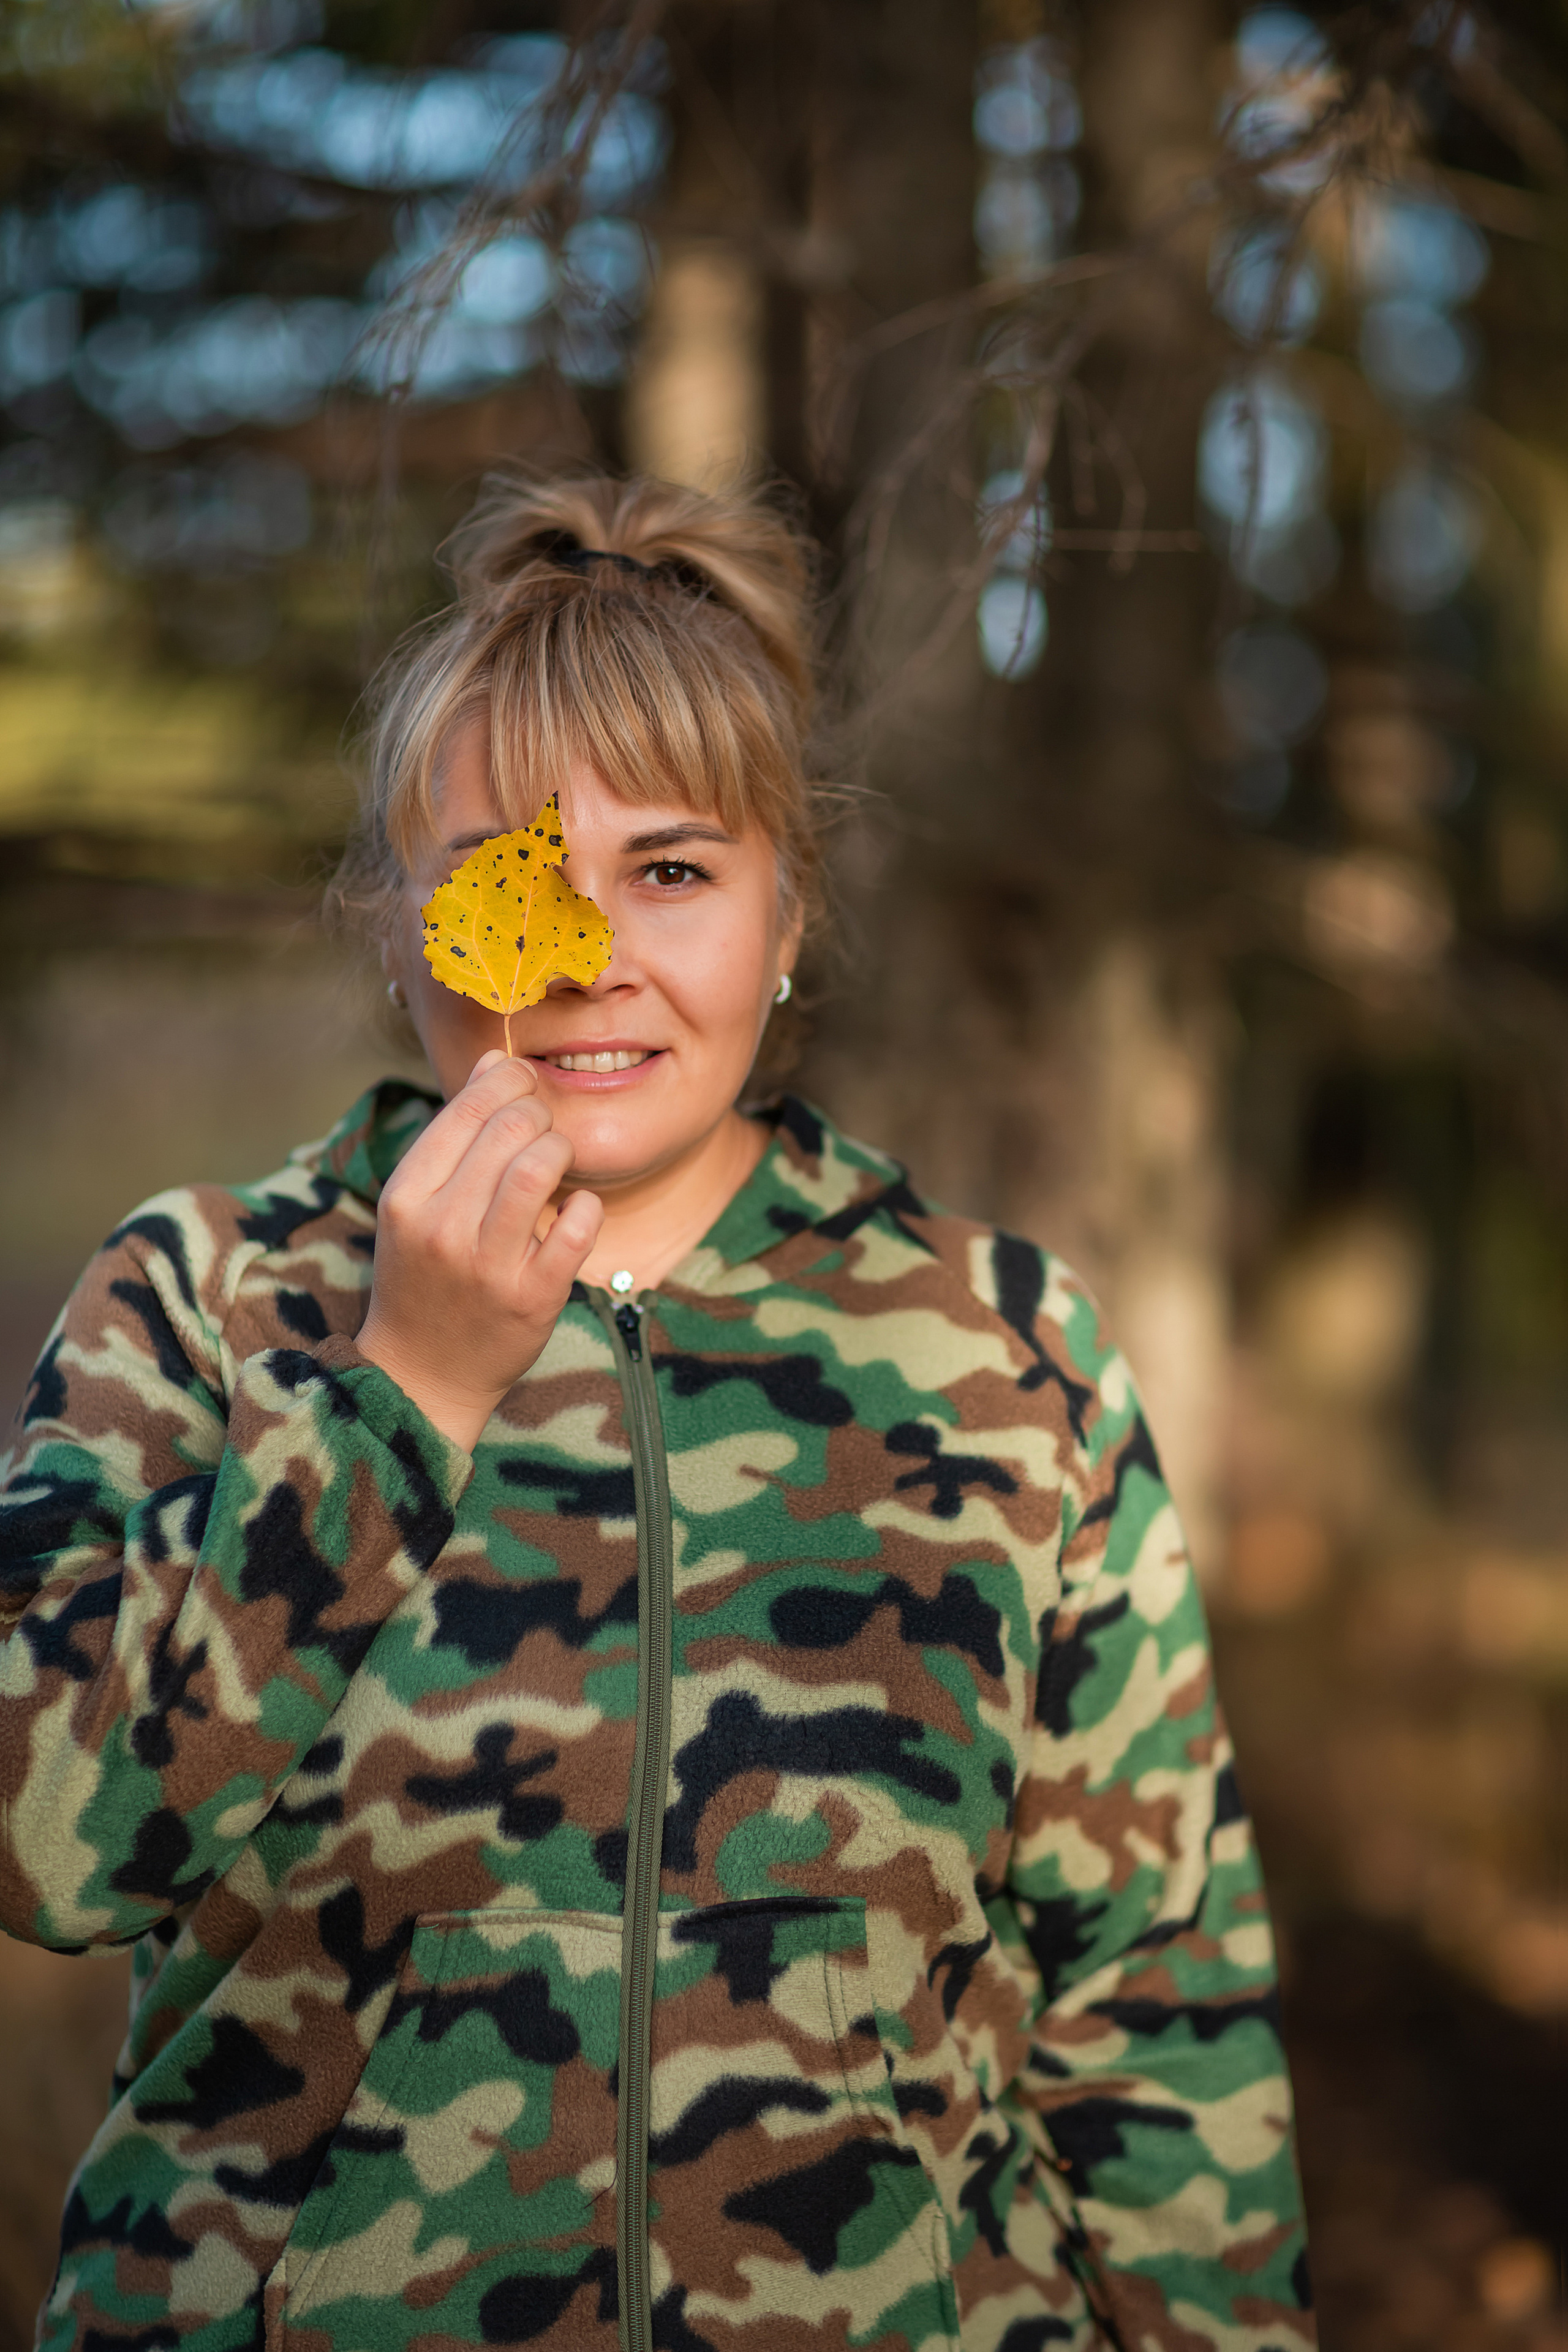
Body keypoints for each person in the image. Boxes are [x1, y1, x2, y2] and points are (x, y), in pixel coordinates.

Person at [0, 472, 1313, 2352]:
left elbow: (1156, 2019)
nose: (588, 954)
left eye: (675, 870)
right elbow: (44, 1841)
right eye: (504, 879)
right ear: (402, 929)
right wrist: (400, 1398)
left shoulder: (1006, 1354)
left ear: (792, 911)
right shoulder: (208, 1302)